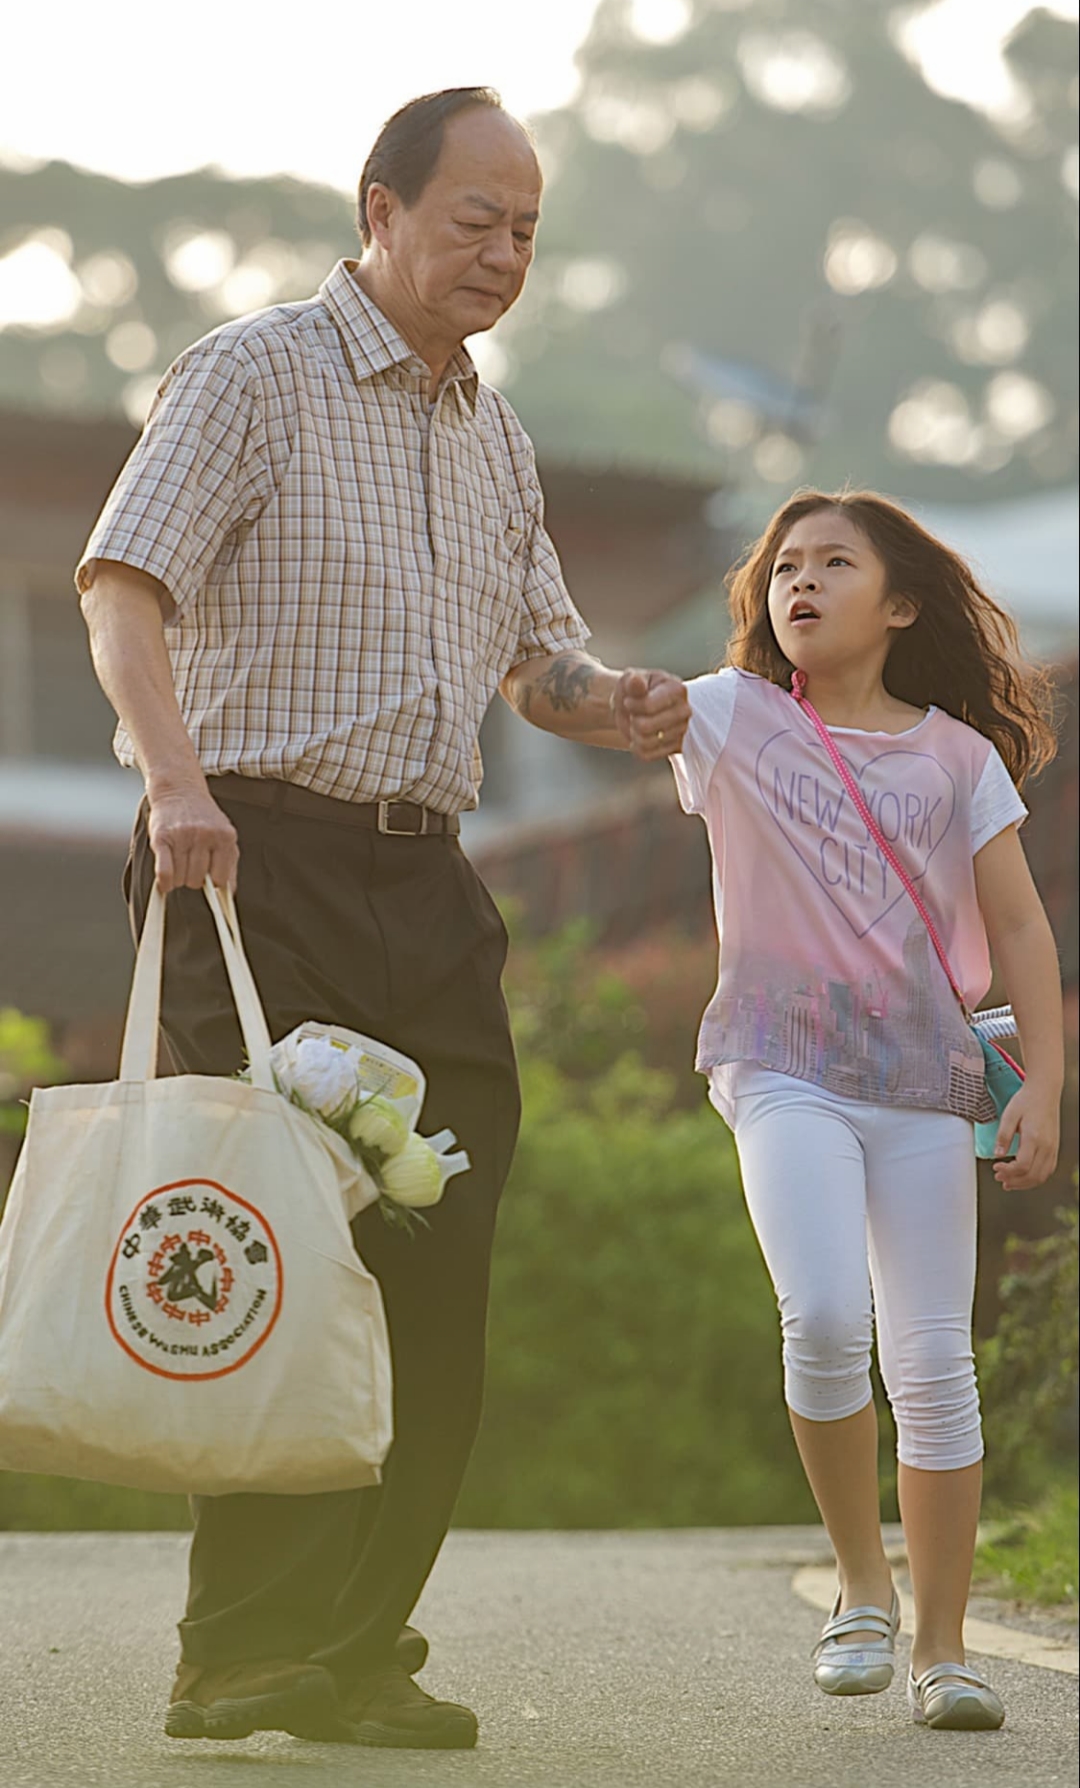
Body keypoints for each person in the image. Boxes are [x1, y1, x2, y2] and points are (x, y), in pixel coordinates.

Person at [76, 86, 690, 1751]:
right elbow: (121, 584)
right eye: (475, 219)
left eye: (527, 233)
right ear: (383, 210)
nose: (502, 253)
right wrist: (174, 782)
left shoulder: (489, 426)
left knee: (443, 1241)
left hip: (426, 875)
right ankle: (234, 1649)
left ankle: (352, 1637)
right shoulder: (254, 371)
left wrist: (616, 698)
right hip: (246, 857)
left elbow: (532, 661)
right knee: (293, 1237)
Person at [646, 487, 1061, 1733]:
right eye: (784, 570)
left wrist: (1045, 1080)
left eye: (835, 564)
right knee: (825, 1313)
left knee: (934, 1359)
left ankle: (945, 1649)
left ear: (902, 604)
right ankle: (860, 1590)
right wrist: (541, 661)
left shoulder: (958, 758)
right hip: (778, 1062)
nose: (801, 584)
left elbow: (1024, 924)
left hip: (926, 1080)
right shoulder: (730, 720)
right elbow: (614, 703)